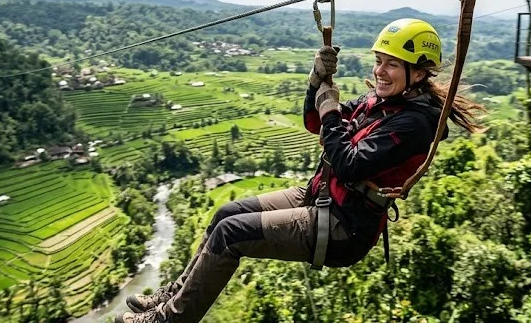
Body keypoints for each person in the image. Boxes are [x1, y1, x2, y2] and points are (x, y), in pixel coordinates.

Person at [114, 18, 484, 323]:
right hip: (321, 195)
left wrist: (330, 111)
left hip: (344, 225)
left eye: (391, 64)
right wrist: (316, 83)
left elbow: (349, 163)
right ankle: (173, 297)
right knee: (225, 213)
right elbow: (315, 122)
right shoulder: (380, 102)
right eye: (378, 60)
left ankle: (168, 320)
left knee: (232, 234)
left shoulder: (415, 124)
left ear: (418, 73)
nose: (379, 71)